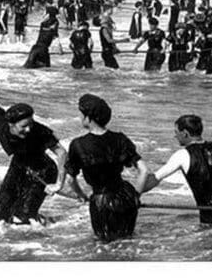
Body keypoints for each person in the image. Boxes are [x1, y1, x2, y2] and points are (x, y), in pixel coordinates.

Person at [59, 94, 150, 242]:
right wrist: (136, 196)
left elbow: (70, 180)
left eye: (81, 114)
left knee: (105, 244)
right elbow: (144, 171)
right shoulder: (120, 139)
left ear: (88, 118)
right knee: (127, 241)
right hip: (125, 195)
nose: (79, 117)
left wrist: (81, 196)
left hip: (101, 201)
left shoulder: (78, 144)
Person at [0, 102, 67, 224]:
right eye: (23, 126)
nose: (28, 129)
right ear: (11, 125)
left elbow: (62, 153)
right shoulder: (1, 126)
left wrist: (58, 184)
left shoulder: (39, 131)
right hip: (19, 166)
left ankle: (39, 226)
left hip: (43, 170)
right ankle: (42, 219)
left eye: (31, 124)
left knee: (22, 217)